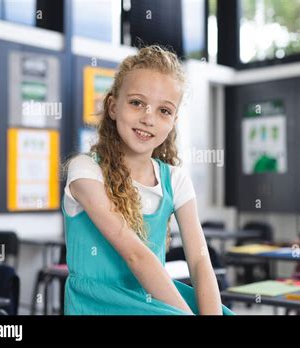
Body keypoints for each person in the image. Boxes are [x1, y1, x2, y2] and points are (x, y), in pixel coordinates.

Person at [62, 45, 233, 315]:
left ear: (173, 120)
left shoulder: (175, 180)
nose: (148, 118)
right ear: (113, 107)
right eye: (136, 103)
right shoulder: (85, 171)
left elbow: (200, 261)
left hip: (154, 300)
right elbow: (136, 256)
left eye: (164, 110)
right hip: (98, 305)